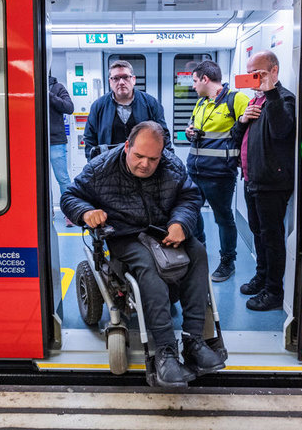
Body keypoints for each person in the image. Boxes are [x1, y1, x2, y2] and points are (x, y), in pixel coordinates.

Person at [61, 121, 224, 388]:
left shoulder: (171, 165)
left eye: (153, 159)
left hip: (162, 230)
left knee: (197, 252)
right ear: (127, 147)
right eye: (139, 156)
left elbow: (190, 197)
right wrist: (86, 212)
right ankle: (165, 351)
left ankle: (194, 340)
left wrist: (180, 223)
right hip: (124, 234)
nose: (145, 164)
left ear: (162, 154)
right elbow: (70, 196)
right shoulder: (100, 168)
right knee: (148, 267)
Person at [230, 50, 296, 311]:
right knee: (258, 234)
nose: (252, 78)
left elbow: (282, 130)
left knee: (272, 237)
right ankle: (261, 276)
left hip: (272, 183)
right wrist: (242, 120)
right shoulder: (254, 102)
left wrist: (270, 92)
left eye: (258, 73)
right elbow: (237, 138)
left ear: (274, 71)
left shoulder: (283, 99)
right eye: (249, 73)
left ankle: (273, 291)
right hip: (252, 179)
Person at [185, 61, 249, 282]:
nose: (193, 86)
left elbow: (249, 131)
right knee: (191, 214)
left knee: (223, 218)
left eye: (194, 81)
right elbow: (193, 128)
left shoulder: (236, 100)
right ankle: (198, 252)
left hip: (220, 174)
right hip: (194, 170)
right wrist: (188, 131)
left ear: (205, 79)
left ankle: (227, 262)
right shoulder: (201, 103)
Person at [83, 60, 171, 160]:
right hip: (109, 165)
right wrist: (94, 165)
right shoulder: (99, 106)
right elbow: (89, 139)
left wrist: (166, 164)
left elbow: (163, 136)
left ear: (133, 79)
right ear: (110, 82)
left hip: (144, 163)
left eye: (125, 77)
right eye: (116, 78)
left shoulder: (151, 103)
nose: (121, 82)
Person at [47, 74, 75, 227]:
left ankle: (69, 213)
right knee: (42, 180)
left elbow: (69, 108)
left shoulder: (58, 88)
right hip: (37, 141)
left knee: (62, 178)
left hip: (56, 141)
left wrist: (49, 95)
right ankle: (47, 211)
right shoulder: (31, 86)